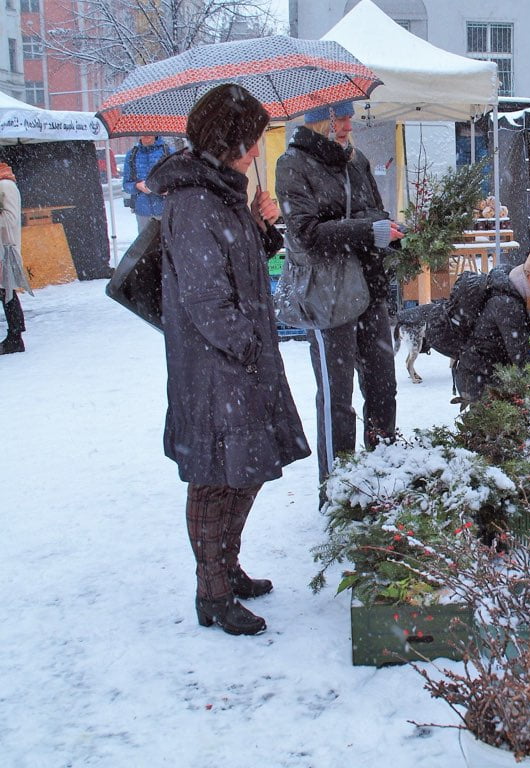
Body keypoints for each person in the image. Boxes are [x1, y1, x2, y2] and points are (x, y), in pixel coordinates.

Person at [147, 84, 310, 636]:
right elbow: (205, 297)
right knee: (216, 479)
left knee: (246, 472)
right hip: (216, 367)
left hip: (239, 363)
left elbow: (235, 266)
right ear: (229, 139)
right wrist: (246, 345)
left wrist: (262, 229)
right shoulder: (193, 200)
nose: (257, 150)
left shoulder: (219, 193)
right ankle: (210, 593)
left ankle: (227, 567)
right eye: (253, 140)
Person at [275, 101, 403, 502]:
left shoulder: (357, 159)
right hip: (328, 295)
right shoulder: (292, 164)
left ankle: (382, 474)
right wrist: (369, 229)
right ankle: (338, 489)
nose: (349, 124)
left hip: (370, 288)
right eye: (340, 117)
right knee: (337, 399)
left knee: (383, 387)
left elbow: (375, 210)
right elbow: (305, 233)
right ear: (317, 121)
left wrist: (383, 227)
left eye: (350, 116)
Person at [454, 239, 530, 403]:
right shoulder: (508, 305)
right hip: (480, 375)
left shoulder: (517, 287)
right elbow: (521, 360)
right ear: (529, 272)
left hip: (495, 361)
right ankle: (486, 407)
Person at [0, 162, 29, 354]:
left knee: (6, 292)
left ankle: (15, 337)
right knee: (5, 293)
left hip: (5, 248)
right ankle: (14, 335)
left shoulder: (5, 185)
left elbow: (10, 219)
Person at [123, 135, 170, 232]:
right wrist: (137, 186)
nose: (146, 135)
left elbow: (179, 182)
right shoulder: (132, 155)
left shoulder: (168, 152)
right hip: (142, 211)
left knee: (168, 244)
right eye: (143, 132)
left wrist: (168, 190)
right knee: (145, 245)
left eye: (149, 132)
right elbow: (126, 185)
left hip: (166, 210)